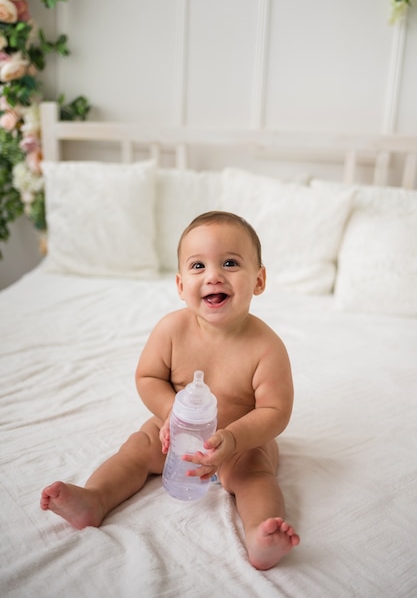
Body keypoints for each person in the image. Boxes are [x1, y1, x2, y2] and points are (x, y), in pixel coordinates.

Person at [40, 211, 300, 570]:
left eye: (230, 262)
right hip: (173, 434)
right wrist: (169, 416)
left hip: (239, 444)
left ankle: (261, 534)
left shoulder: (267, 347)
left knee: (256, 475)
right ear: (180, 285)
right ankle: (94, 499)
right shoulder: (171, 330)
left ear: (259, 279)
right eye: (197, 266)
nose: (213, 276)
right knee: (136, 449)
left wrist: (234, 439)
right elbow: (148, 377)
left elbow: (275, 411)